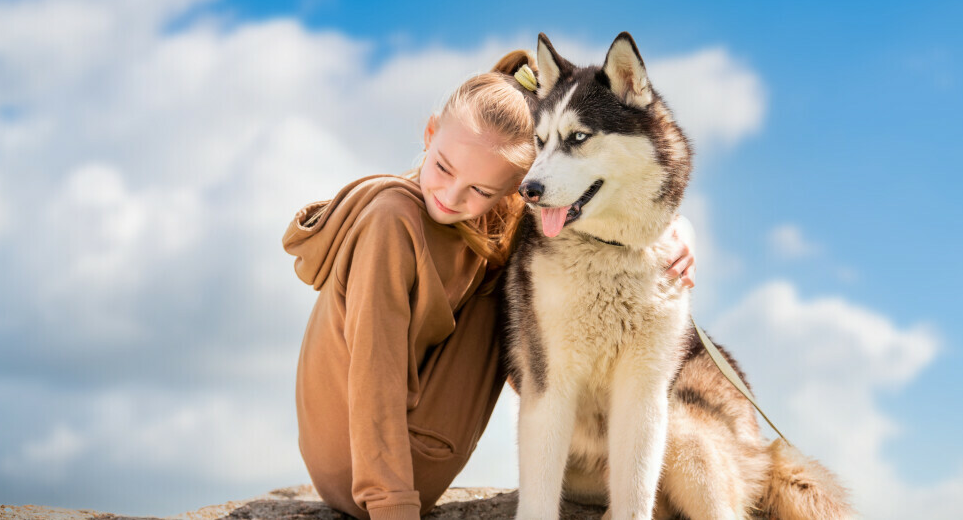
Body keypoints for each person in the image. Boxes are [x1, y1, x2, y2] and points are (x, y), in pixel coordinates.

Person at [282, 51, 697, 520]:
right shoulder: (388, 222)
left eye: (481, 190)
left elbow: (592, 179)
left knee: (539, 261)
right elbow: (375, 374)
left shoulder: (501, 209)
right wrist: (392, 506)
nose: (451, 196)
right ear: (430, 132)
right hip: (363, 469)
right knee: (534, 276)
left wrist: (671, 228)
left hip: (422, 454)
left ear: (509, 188)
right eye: (442, 167)